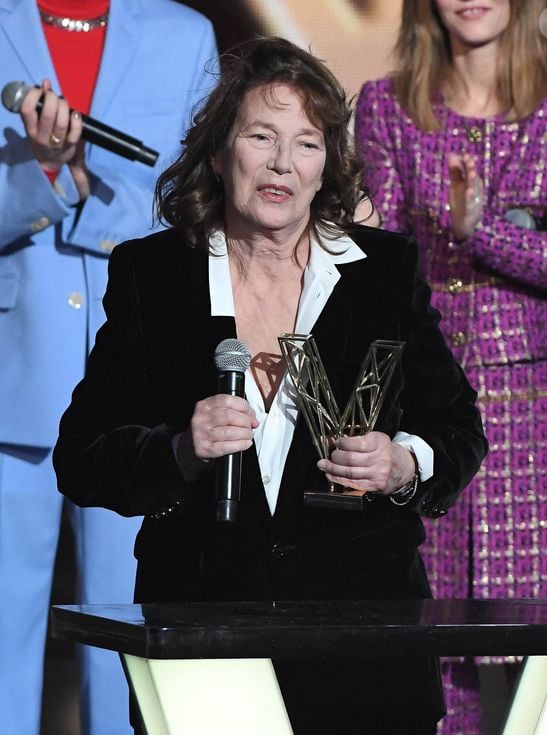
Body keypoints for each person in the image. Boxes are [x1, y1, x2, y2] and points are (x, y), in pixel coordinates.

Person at [53, 36, 487, 735]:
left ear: (328, 165)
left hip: (363, 654)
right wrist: (178, 451)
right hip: (202, 647)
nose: (283, 163)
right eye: (262, 135)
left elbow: (459, 429)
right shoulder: (153, 275)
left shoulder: (382, 272)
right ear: (221, 153)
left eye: (307, 143)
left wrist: (404, 462)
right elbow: (81, 456)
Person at [355, 1, 547, 733]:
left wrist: (480, 233)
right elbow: (379, 257)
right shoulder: (386, 106)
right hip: (428, 397)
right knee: (434, 633)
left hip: (537, 408)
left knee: (541, 646)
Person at [0, 1, 217, 734]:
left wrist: (85, 192)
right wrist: (50, 181)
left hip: (138, 381)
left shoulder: (186, 37)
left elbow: (198, 203)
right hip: (10, 375)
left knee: (127, 632)